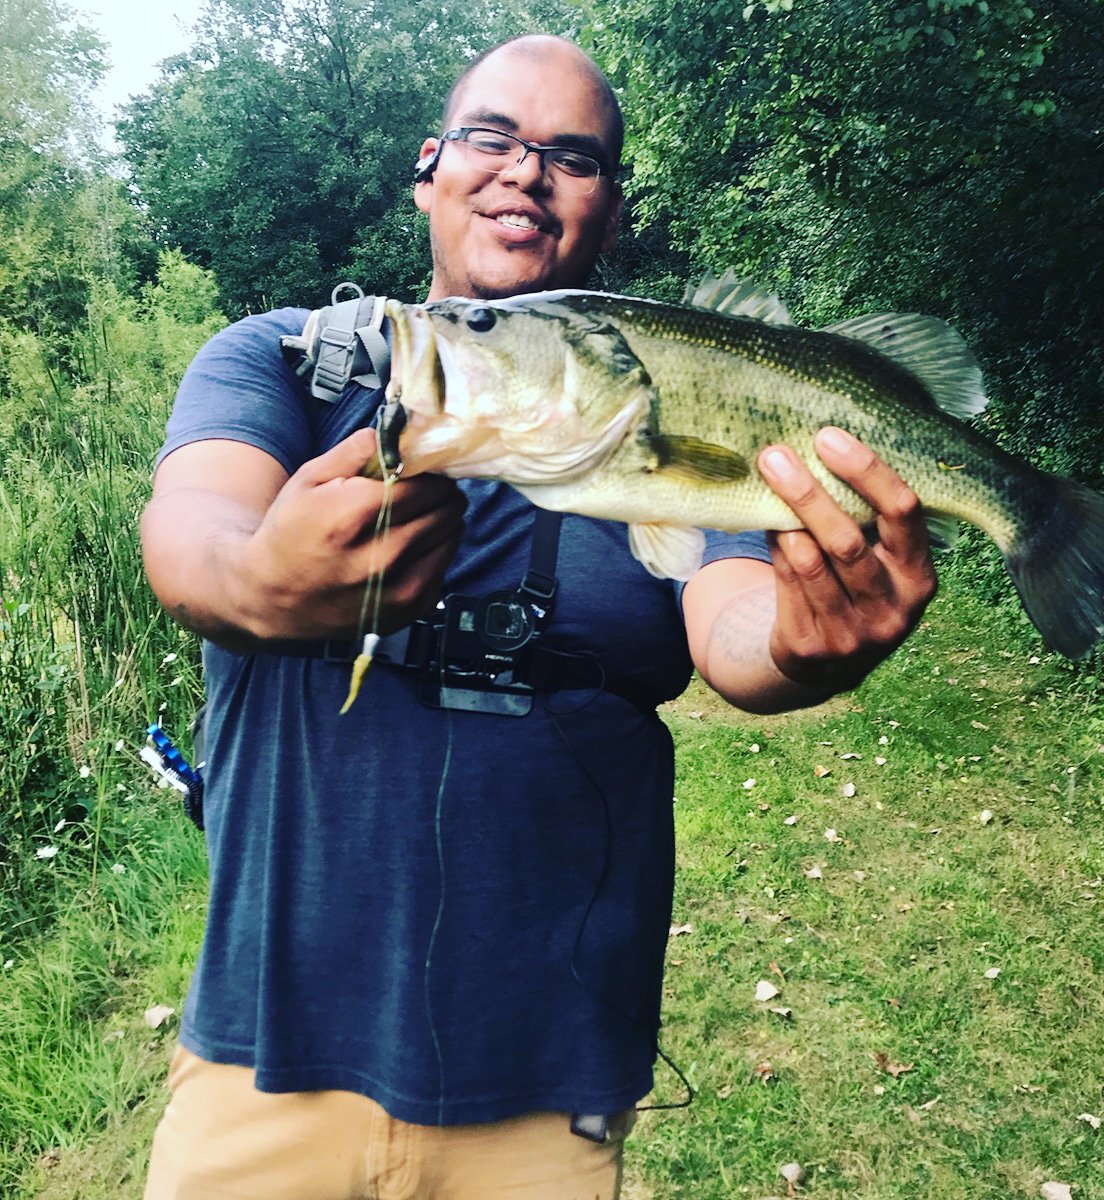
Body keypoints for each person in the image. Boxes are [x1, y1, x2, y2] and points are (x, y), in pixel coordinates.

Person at [140, 33, 936, 1200]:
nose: (527, 171)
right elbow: (192, 536)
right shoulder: (281, 363)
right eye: (493, 137)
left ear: (608, 209)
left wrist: (809, 646)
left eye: (573, 156)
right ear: (430, 167)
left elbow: (738, 632)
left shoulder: (656, 420)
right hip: (261, 1066)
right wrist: (258, 582)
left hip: (546, 1088)